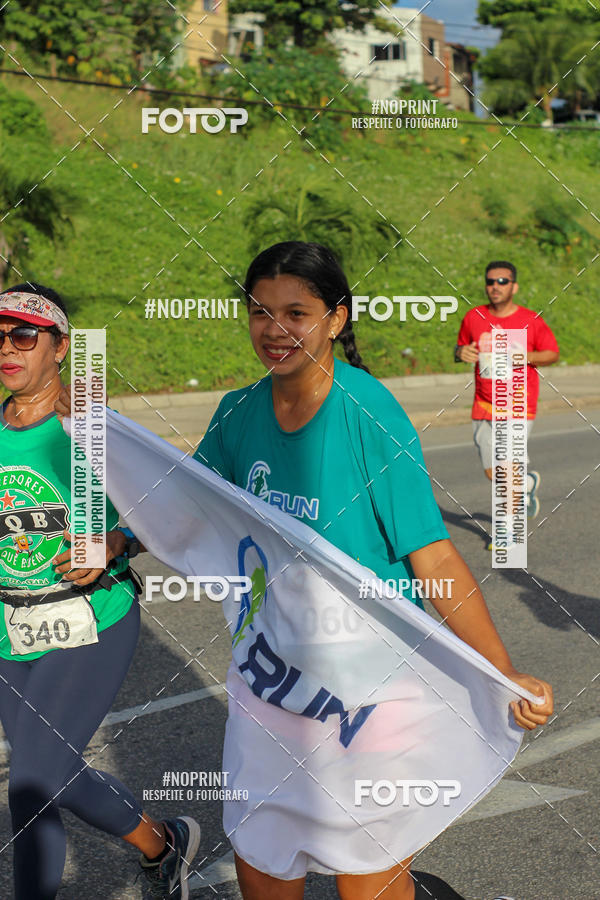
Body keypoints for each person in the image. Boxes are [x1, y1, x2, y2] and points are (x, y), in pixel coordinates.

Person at [191, 242, 553, 899]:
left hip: (371, 699)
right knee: (265, 865)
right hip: (270, 691)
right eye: (259, 312)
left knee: (368, 882)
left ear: (336, 318)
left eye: (295, 312)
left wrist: (500, 670)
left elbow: (434, 554)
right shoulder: (237, 414)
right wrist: (118, 538)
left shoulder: (367, 414)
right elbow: (182, 499)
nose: (274, 330)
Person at [0, 283, 199, 900]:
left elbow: (171, 511)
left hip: (91, 622)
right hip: (12, 629)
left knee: (31, 781)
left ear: (60, 348)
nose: (8, 347)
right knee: (50, 773)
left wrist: (114, 543)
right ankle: (161, 844)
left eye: (24, 334)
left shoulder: (91, 426)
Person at [454, 261, 559, 543]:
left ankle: (508, 533)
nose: (495, 286)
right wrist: (460, 351)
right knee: (494, 472)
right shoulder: (474, 317)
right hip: (483, 405)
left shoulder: (530, 320)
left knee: (506, 470)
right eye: (490, 281)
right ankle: (528, 483)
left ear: (514, 286)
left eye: (502, 281)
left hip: (518, 405)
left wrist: (527, 356)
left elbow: (552, 353)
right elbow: (462, 346)